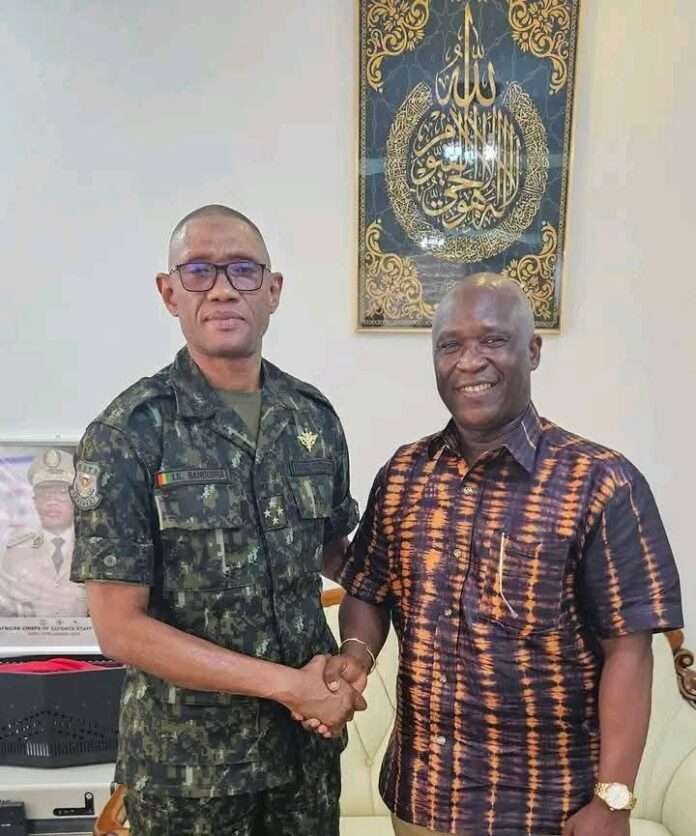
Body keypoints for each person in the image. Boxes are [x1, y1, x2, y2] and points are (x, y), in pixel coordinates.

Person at [313, 274, 683, 836]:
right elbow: (368, 590)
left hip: (545, 810)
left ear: (532, 350)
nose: (470, 361)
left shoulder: (601, 483)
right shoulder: (404, 474)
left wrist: (613, 800)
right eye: (450, 345)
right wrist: (357, 654)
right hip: (419, 800)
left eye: (492, 340)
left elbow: (629, 652)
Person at [69, 204, 364, 836]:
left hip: (305, 758)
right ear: (168, 292)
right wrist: (287, 685)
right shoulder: (130, 432)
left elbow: (338, 555)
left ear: (273, 290)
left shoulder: (312, 419)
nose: (223, 288)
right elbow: (119, 629)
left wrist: (353, 658)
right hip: (189, 773)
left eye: (242, 270)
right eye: (199, 270)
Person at [0, 448, 86, 617]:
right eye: (44, 494)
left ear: (76, 500)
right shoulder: (15, 554)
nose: (52, 501)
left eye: (62, 493)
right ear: (35, 501)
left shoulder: (93, 553)